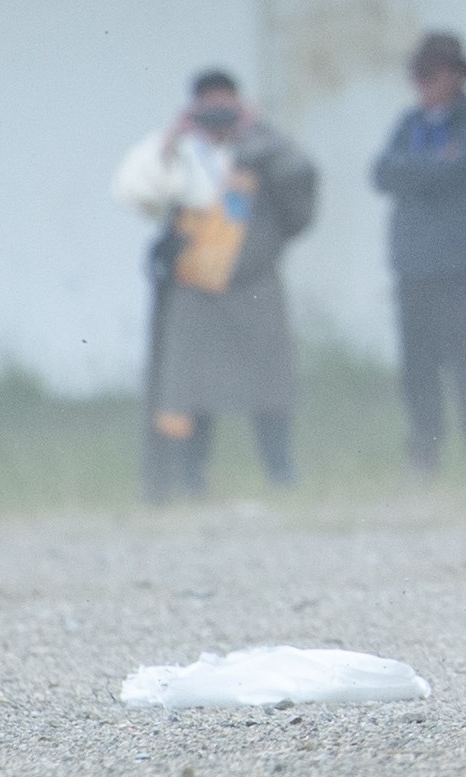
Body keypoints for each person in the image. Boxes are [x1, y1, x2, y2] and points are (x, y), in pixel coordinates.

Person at [114, 69, 318, 498]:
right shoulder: (180, 152)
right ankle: (190, 480)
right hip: (196, 288)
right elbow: (137, 192)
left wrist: (257, 132)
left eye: (227, 107)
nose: (219, 118)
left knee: (270, 387)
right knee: (191, 391)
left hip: (254, 284)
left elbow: (301, 182)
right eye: (209, 109)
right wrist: (174, 140)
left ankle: (281, 474)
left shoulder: (261, 149)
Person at [369, 31, 466, 475]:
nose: (422, 85)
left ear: (455, 77)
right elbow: (381, 172)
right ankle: (424, 451)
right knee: (417, 365)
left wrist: (418, 171)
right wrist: (431, 166)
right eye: (417, 77)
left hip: (459, 263)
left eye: (431, 76)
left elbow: (460, 168)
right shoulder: (409, 124)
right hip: (413, 263)